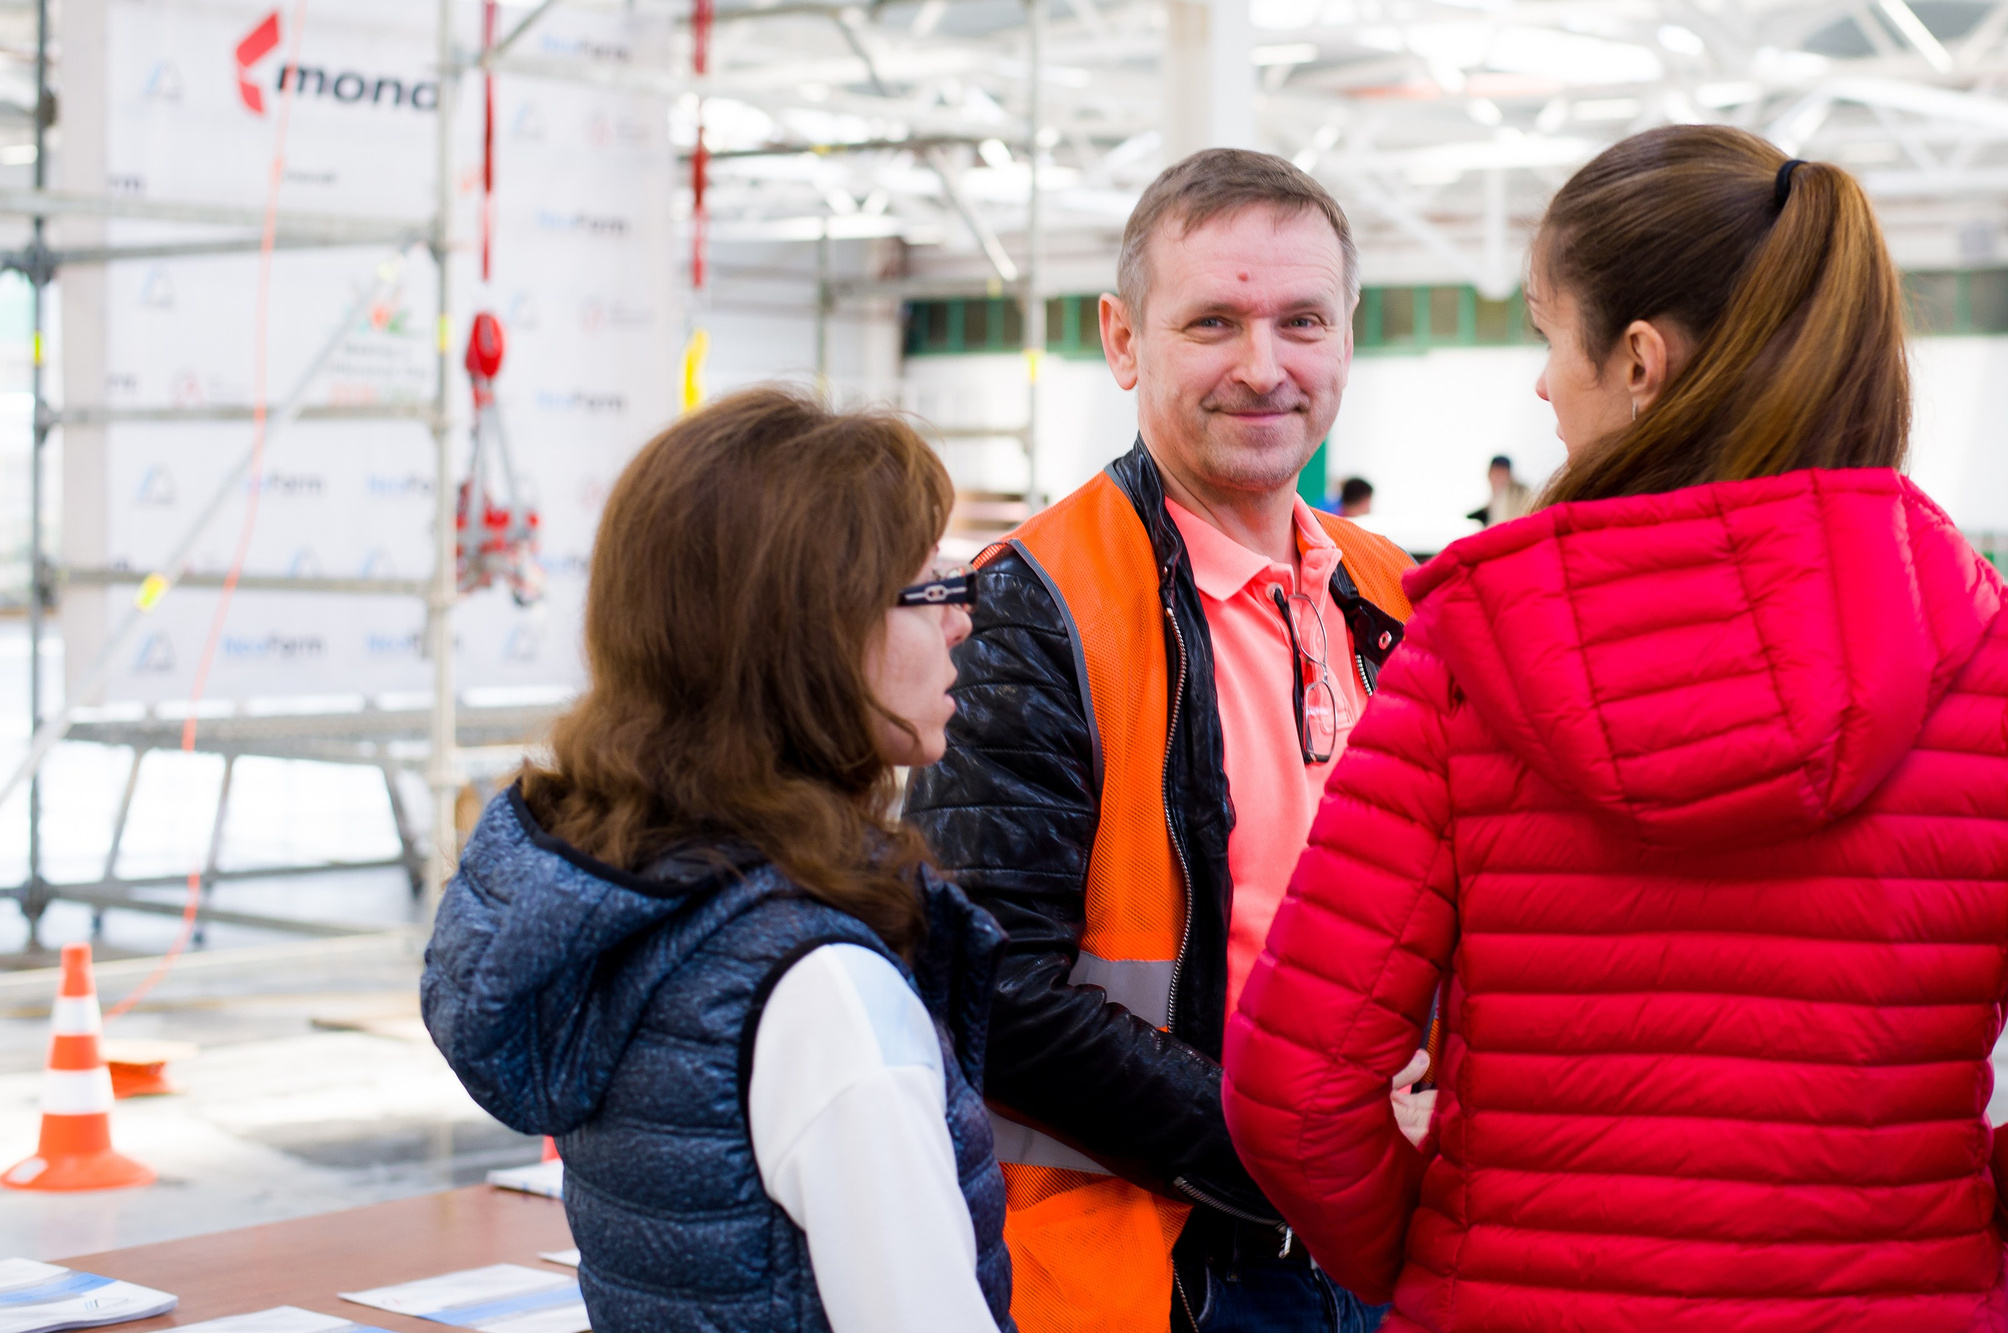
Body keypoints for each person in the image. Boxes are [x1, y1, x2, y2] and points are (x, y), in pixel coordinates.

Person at [1221, 126, 2008, 1331]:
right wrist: (1963, 1197)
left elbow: (1296, 1088)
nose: (1536, 385)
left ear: (1639, 361)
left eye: (1542, 333)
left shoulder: (1464, 665)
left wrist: (1425, 1247)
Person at [906, 149, 1418, 1333]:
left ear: (1348, 335)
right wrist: (1299, 1148)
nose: (1263, 366)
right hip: (1169, 1268)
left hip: (1387, 1242)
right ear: (1123, 341)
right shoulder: (1030, 606)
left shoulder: (1392, 592)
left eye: (1302, 320)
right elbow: (995, 986)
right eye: (1212, 323)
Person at [421, 388, 1012, 1333]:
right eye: (927, 587)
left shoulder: (643, 896)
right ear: (807, 637)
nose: (961, 623)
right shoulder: (822, 987)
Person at [1464, 456, 1532, 527]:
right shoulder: (1492, 504)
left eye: (1502, 473)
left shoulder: (1519, 492)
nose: (1498, 478)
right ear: (1489, 474)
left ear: (1510, 476)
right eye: (1495, 472)